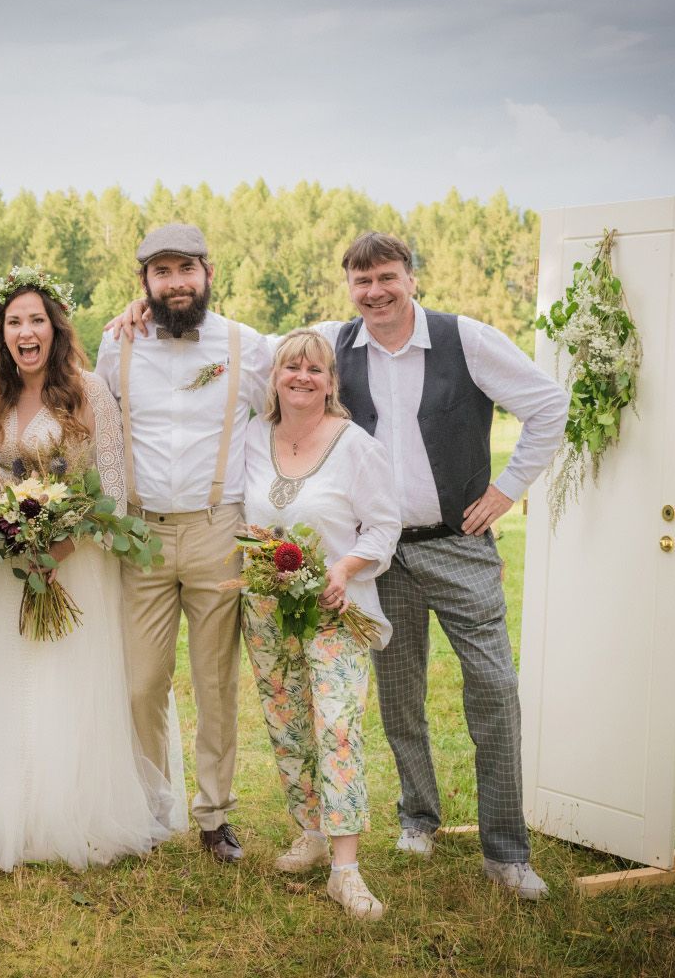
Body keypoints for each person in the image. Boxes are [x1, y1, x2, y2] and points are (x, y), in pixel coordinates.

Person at [107, 229, 569, 898]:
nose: (376, 292)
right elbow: (274, 353)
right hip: (368, 559)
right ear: (349, 287)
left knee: (493, 690)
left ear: (411, 277)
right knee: (399, 701)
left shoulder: (463, 338)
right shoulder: (332, 341)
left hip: (451, 540)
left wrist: (506, 490)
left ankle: (506, 852)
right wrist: (148, 307)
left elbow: (548, 404)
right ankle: (416, 819)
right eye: (362, 281)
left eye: (388, 277)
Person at [0, 267, 173, 871]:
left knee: (64, 683)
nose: (26, 333)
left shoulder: (88, 391)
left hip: (75, 562)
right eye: (14, 323)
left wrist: (58, 548)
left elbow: (113, 491)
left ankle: (69, 811)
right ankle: (7, 811)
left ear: (55, 328)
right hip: (7, 566)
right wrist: (7, 534)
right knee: (2, 683)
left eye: (36, 321)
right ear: (0, 334)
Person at [94, 224, 271, 863]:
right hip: (140, 534)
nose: (176, 283)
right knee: (141, 682)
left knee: (215, 682)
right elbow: (99, 429)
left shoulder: (249, 347)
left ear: (208, 273)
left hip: (217, 529)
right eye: (161, 272)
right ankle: (150, 808)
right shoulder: (115, 345)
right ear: (144, 282)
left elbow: (293, 404)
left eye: (185, 269)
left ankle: (215, 815)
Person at [240, 329, 400, 919]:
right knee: (287, 724)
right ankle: (309, 830)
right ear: (274, 377)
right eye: (291, 367)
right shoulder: (253, 437)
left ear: (331, 383)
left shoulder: (355, 446)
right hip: (265, 608)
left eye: (315, 369)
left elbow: (384, 526)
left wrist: (344, 569)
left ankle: (346, 870)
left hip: (334, 607)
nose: (302, 377)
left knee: (336, 727)